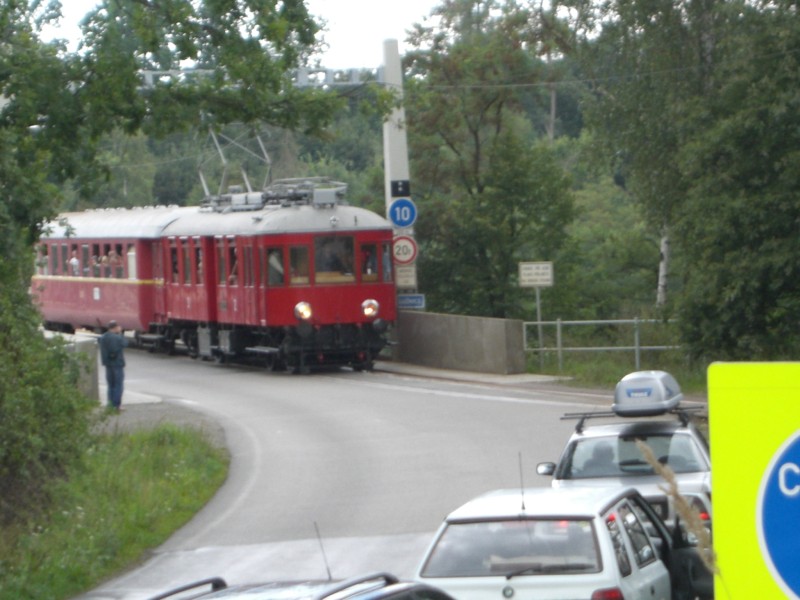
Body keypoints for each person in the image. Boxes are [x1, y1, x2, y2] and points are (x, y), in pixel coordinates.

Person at [98, 320, 128, 412]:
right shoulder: (117, 338)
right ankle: (117, 405)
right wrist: (120, 333)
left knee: (110, 385)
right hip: (117, 364)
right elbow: (125, 343)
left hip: (108, 364)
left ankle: (110, 404)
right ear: (115, 328)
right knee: (118, 385)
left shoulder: (103, 337)